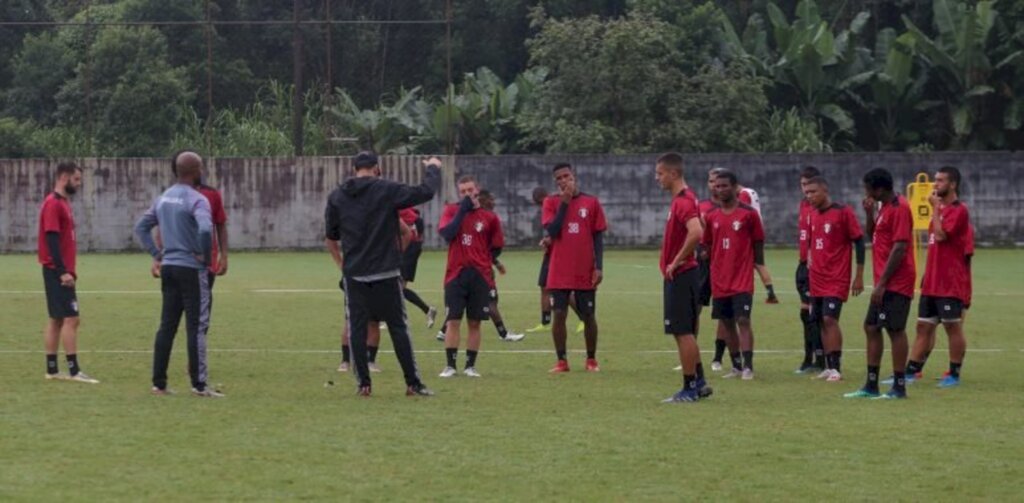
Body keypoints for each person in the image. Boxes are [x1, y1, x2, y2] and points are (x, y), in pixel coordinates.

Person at [323, 151, 440, 397]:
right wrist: (432, 167)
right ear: (377, 168)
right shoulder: (386, 190)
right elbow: (425, 192)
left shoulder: (337, 197)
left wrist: (343, 266)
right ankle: (412, 384)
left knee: (357, 328)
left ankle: (363, 384)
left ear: (354, 169)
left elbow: (332, 236)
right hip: (385, 272)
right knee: (399, 328)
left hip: (355, 274)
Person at [135, 151, 219, 397]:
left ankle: (159, 384)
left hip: (169, 268)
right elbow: (205, 229)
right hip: (191, 269)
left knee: (167, 326)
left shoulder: (163, 198)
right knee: (197, 326)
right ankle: (199, 385)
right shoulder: (198, 200)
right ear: (196, 171)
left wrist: (157, 254)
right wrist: (203, 256)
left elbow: (141, 227)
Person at [844, 168, 915, 400]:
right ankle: (871, 385)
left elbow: (900, 247)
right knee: (871, 327)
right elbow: (874, 235)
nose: (865, 192)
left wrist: (882, 283)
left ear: (879, 189)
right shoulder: (884, 206)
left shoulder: (900, 208)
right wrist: (869, 213)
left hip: (897, 281)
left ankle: (899, 387)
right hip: (883, 281)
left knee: (895, 330)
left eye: (867, 188)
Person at [905, 166, 971, 388]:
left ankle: (954, 373)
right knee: (923, 327)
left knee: (952, 327)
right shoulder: (941, 209)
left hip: (950, 283)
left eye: (941, 180)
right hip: (932, 282)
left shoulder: (959, 210)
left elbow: (941, 236)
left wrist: (935, 210)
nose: (935, 184)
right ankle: (911, 371)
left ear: (953, 184)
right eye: (935, 180)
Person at [437, 176, 506, 377]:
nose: (467, 194)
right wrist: (462, 210)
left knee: (475, 322)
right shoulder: (451, 211)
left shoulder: (489, 217)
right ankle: (450, 365)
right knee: (453, 320)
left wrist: (485, 259)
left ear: (477, 190)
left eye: (470, 190)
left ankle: (470, 366)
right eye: (463, 191)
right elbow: (447, 234)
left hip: (480, 276)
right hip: (455, 275)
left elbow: (497, 245)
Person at [656, 153, 711, 402]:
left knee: (682, 332)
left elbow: (697, 232)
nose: (657, 178)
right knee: (685, 330)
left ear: (673, 173)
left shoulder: (683, 201)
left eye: (660, 174)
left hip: (681, 274)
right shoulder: (685, 199)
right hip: (684, 274)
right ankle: (698, 382)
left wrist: (676, 261)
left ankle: (689, 388)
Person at [38, 162, 98, 384]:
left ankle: (52, 370)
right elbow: (51, 238)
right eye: (76, 179)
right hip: (57, 271)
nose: (79, 184)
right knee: (72, 319)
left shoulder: (62, 202)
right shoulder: (53, 204)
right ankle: (74, 371)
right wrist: (63, 271)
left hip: (57, 270)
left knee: (56, 319)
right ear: (64, 177)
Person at [543, 163, 607, 373]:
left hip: (584, 268)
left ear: (574, 176)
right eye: (559, 178)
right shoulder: (551, 202)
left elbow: (598, 236)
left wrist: (599, 267)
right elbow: (552, 230)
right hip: (559, 270)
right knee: (559, 314)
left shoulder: (591, 202)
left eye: (566, 176)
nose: (563, 181)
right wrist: (564, 203)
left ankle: (591, 359)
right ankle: (562, 361)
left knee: (588, 315)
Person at [702, 170, 766, 381]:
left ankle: (749, 366)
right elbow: (708, 245)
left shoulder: (748, 214)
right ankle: (736, 365)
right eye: (717, 186)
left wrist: (756, 264)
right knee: (727, 322)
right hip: (720, 279)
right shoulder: (711, 216)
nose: (720, 190)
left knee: (743, 319)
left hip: (742, 279)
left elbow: (758, 242)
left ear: (734, 187)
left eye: (724, 186)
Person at [804, 176, 865, 383]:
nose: (809, 196)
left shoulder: (843, 212)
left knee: (830, 319)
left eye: (813, 192)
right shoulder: (812, 215)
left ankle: (837, 368)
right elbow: (812, 244)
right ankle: (829, 367)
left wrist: (858, 275)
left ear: (825, 191)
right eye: (807, 193)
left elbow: (859, 242)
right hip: (816, 278)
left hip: (836, 278)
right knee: (820, 320)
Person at [794, 166, 826, 373]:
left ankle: (819, 359)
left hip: (817, 267)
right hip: (803, 265)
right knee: (806, 314)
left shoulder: (821, 208)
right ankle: (810, 357)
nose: (806, 190)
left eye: (809, 186)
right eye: (803, 185)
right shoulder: (803, 206)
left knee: (815, 315)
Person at [737, 183, 779, 304]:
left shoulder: (743, 194)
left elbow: (742, 212)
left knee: (746, 263)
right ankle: (771, 293)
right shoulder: (751, 191)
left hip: (750, 233)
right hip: (758, 231)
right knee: (759, 263)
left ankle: (743, 292)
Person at [399, 206, 438, 328]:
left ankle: (427, 310)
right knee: (398, 288)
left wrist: (418, 239)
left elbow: (418, 220)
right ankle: (427, 310)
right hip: (408, 248)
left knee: (397, 287)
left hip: (409, 249)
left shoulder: (398, 207)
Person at [526, 186, 553, 333]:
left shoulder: (555, 207)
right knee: (544, 287)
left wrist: (549, 240)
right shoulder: (545, 210)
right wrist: (546, 240)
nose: (540, 205)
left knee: (559, 291)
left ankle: (583, 318)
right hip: (549, 254)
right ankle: (545, 322)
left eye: (540, 202)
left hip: (556, 255)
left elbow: (559, 230)